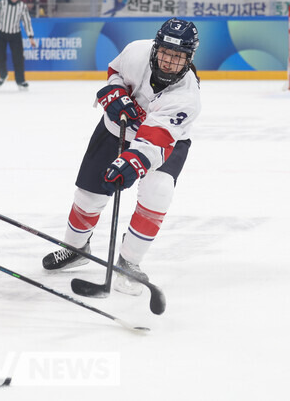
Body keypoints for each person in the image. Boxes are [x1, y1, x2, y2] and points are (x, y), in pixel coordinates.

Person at [42, 18, 200, 296]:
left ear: (189, 59)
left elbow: (156, 139)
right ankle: (76, 249)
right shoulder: (137, 51)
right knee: (89, 196)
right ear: (155, 48)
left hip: (164, 143)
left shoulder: (187, 97)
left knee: (158, 192)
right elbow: (115, 71)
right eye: (165, 52)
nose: (168, 61)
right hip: (115, 130)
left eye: (177, 57)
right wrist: (115, 93)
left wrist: (134, 161)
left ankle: (129, 262)